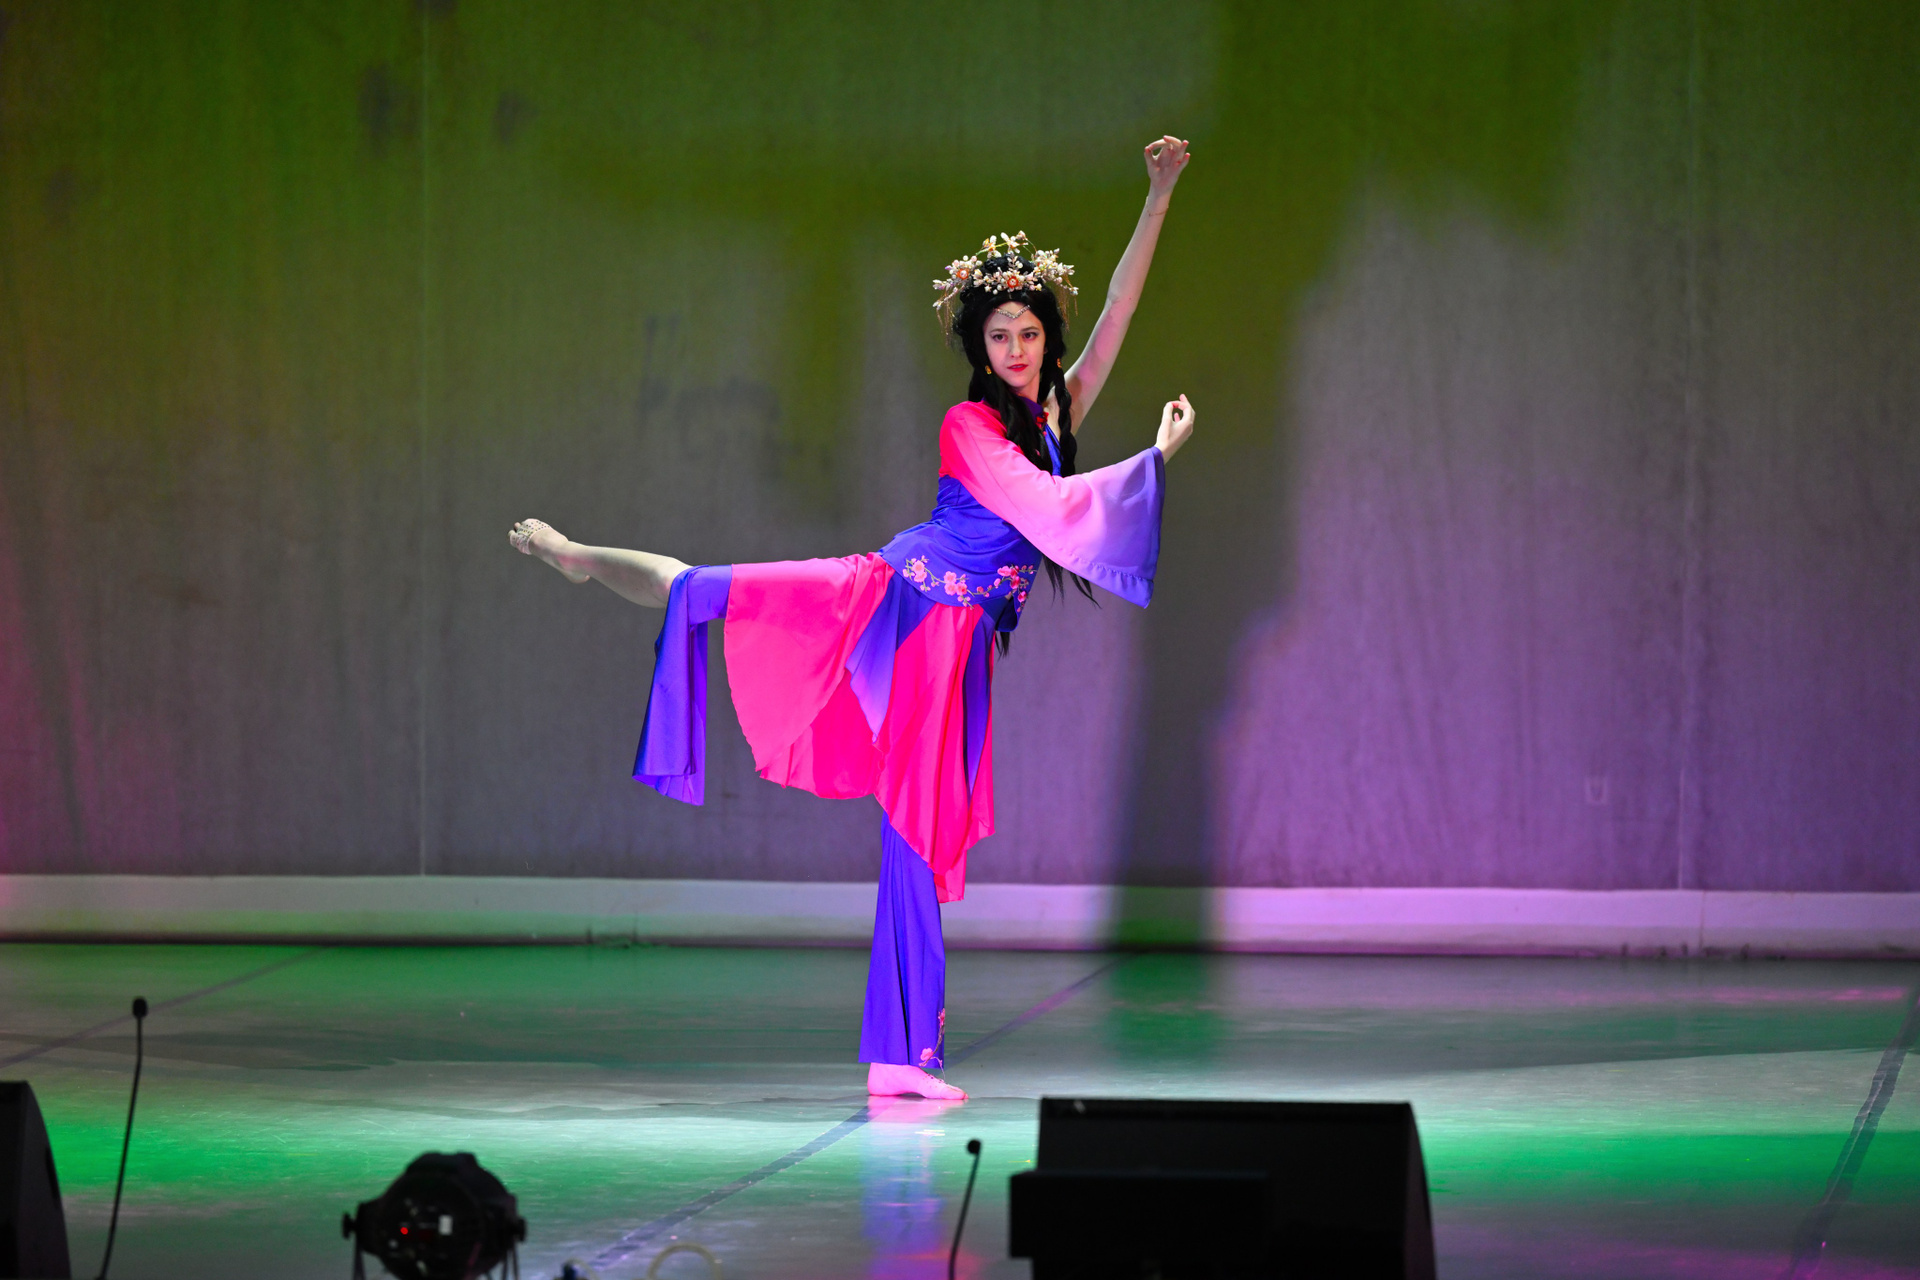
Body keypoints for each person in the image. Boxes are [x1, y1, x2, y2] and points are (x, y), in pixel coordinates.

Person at [511, 136, 1196, 1100]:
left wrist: (1159, 193)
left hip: (959, 646)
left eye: (1029, 334)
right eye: (999, 335)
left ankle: (898, 1058)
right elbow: (1045, 507)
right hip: (904, 603)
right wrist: (1154, 464)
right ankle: (584, 558)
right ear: (980, 348)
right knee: (712, 591)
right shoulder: (971, 427)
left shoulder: (1057, 418)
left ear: (1046, 340)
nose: (1016, 349)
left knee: (914, 833)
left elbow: (1117, 312)